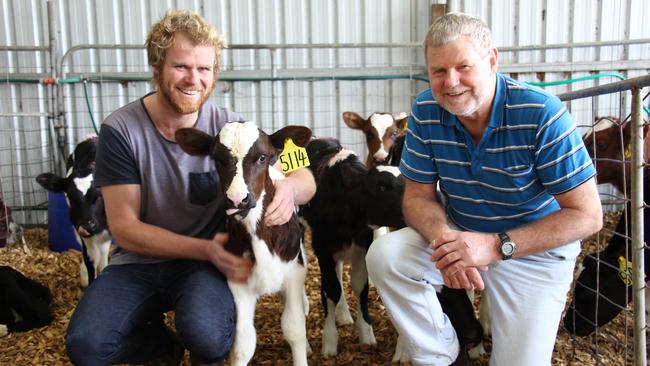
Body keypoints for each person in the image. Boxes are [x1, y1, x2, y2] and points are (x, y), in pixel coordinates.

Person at [64, 9, 316, 366]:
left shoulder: (231, 127)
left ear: (214, 75)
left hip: (200, 269)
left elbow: (302, 171)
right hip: (139, 262)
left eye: (204, 69)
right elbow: (124, 228)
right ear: (157, 67)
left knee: (209, 337)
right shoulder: (120, 131)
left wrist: (291, 188)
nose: (193, 79)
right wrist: (206, 250)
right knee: (86, 345)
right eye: (181, 66)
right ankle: (161, 348)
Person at [366, 12, 603, 366]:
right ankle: (440, 356)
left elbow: (588, 216)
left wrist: (495, 245)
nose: (451, 82)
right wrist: (445, 241)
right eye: (438, 71)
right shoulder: (426, 110)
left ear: (492, 60)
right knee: (385, 257)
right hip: (461, 231)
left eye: (463, 66)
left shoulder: (542, 114)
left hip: (533, 250)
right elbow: (417, 197)